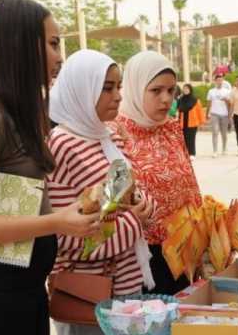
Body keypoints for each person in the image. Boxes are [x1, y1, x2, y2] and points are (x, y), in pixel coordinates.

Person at [0, 0, 98, 335]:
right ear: (22, 44)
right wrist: (56, 221)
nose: (60, 56)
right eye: (53, 44)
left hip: (21, 292)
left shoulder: (14, 111)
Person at [47, 50, 155, 335]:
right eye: (106, 88)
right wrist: (135, 222)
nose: (118, 96)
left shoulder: (107, 136)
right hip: (88, 296)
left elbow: (129, 194)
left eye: (118, 86)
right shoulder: (62, 146)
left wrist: (145, 207)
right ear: (81, 90)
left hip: (126, 286)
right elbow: (68, 236)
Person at [113, 51, 202, 295]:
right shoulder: (115, 133)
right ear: (134, 88)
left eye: (171, 91)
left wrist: (203, 233)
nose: (166, 99)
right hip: (142, 258)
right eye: (156, 90)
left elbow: (190, 184)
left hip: (183, 249)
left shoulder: (171, 128)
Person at [178, 84, 205, 160]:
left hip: (192, 122)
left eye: (187, 89)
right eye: (184, 89)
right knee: (183, 138)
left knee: (191, 138)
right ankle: (185, 153)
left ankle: (192, 153)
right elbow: (178, 110)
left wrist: (202, 122)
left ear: (190, 90)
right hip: (182, 123)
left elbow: (200, 111)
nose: (185, 90)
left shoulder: (195, 100)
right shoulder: (180, 100)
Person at [206, 74, 231, 157]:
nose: (219, 82)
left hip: (224, 114)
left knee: (224, 133)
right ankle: (215, 151)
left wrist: (226, 101)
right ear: (215, 81)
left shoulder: (227, 91)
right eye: (218, 80)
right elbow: (209, 103)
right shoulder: (211, 91)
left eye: (221, 80)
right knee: (215, 132)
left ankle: (224, 149)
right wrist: (207, 114)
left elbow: (230, 104)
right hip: (214, 114)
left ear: (223, 81)